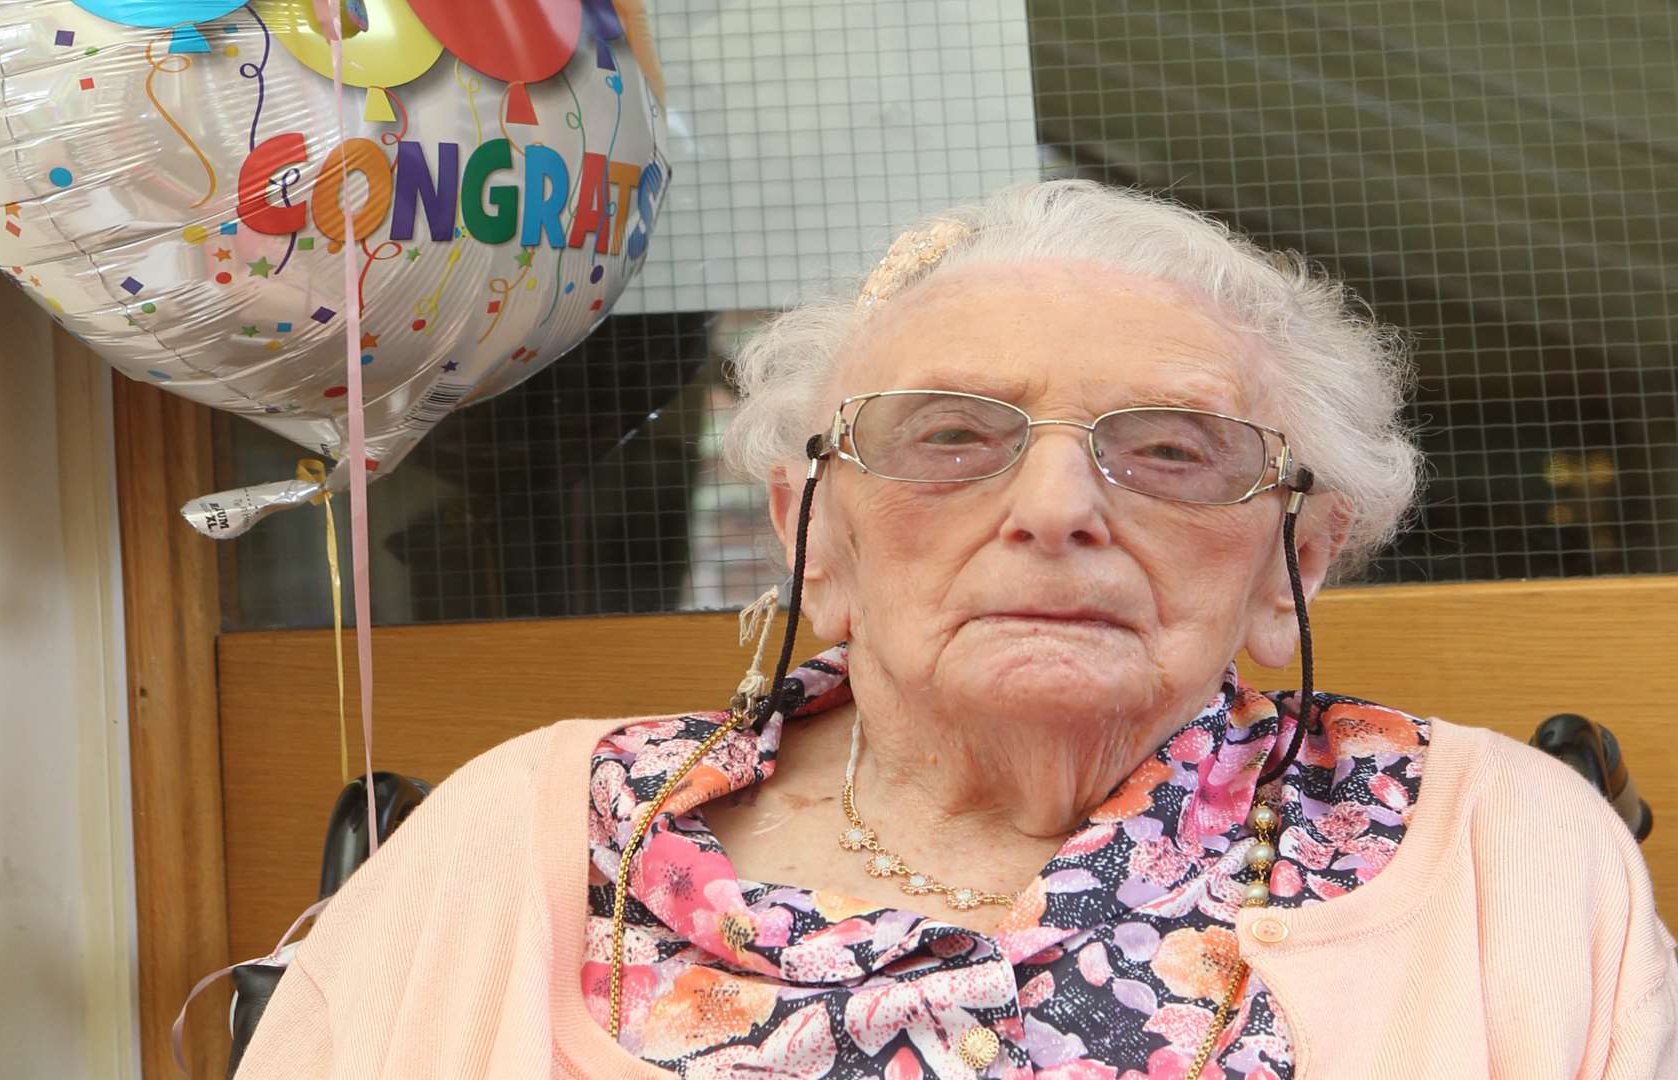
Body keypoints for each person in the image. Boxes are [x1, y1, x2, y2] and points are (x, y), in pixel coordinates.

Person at [234, 181, 1676, 1079]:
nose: (1055, 510)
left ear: (1291, 560)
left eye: (1170, 451)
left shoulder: (1507, 856)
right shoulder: (520, 841)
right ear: (818, 539)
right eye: (949, 439)